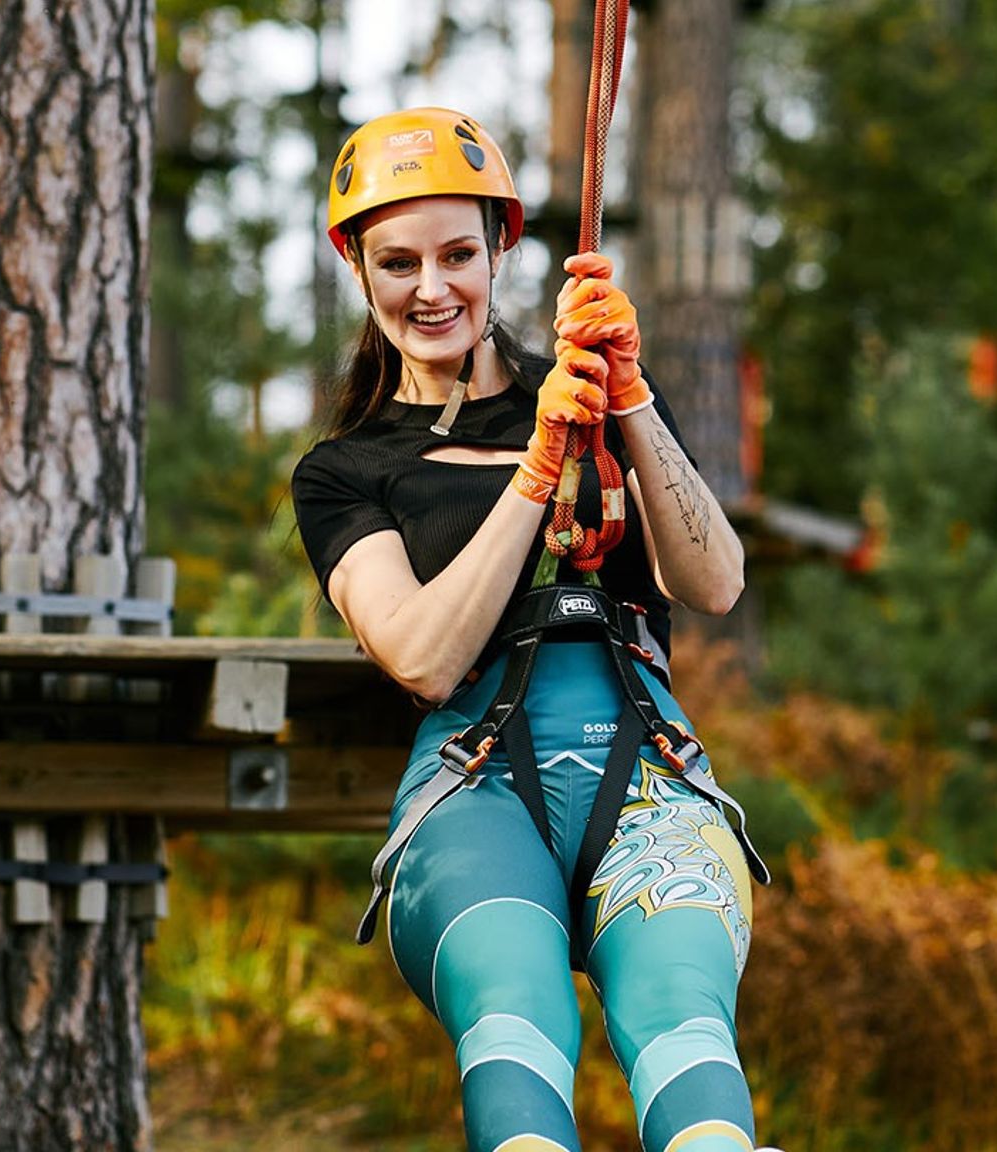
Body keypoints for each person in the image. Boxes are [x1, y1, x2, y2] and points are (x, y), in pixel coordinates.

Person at [292, 107, 778, 1152]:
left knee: (683, 1021)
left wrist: (629, 402)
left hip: (647, 773)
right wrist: (538, 466)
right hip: (473, 787)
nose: (433, 288)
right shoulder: (347, 471)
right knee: (516, 1019)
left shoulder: (606, 405)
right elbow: (422, 657)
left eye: (458, 255)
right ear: (357, 269)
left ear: (500, 248)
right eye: (399, 263)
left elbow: (716, 582)